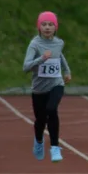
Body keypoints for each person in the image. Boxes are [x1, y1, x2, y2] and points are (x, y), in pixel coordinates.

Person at [23, 11, 72, 162]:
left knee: (52, 109)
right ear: (39, 27)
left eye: (51, 24)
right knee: (40, 120)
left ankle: (55, 148)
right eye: (44, 24)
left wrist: (67, 71)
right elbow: (25, 67)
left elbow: (59, 55)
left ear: (55, 27)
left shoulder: (59, 43)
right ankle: (38, 141)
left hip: (56, 84)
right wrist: (41, 59)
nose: (47, 27)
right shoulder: (35, 44)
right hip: (39, 88)